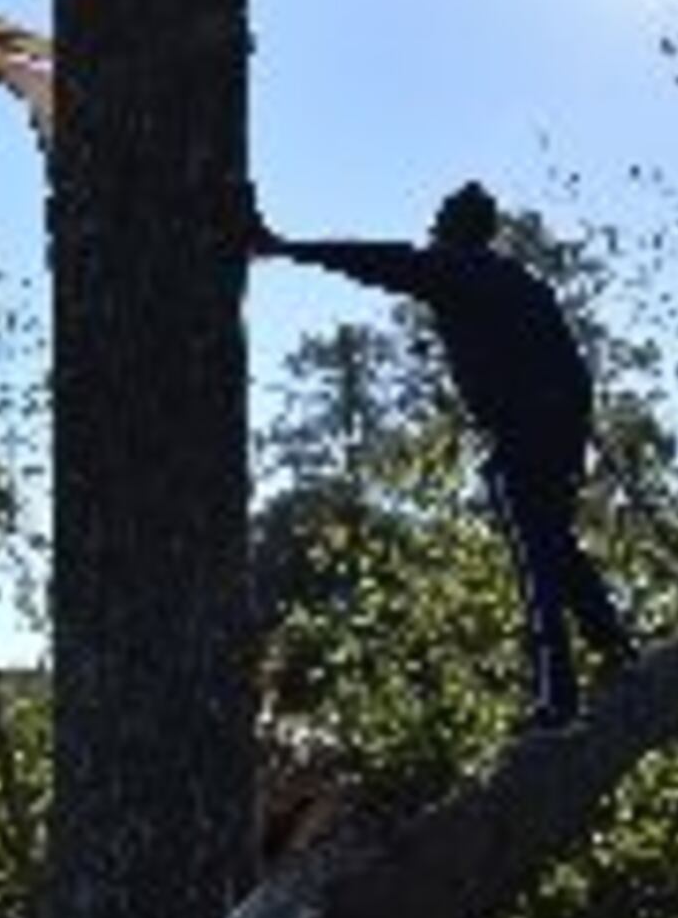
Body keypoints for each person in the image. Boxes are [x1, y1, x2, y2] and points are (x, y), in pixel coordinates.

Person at [255, 181, 636, 729]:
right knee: (555, 545)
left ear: (451, 234)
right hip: (559, 431)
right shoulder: (524, 283)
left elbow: (378, 261)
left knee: (536, 562)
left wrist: (287, 248)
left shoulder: (457, 270)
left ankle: (559, 699)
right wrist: (570, 429)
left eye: (437, 235)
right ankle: (615, 648)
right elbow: (573, 370)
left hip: (527, 436)